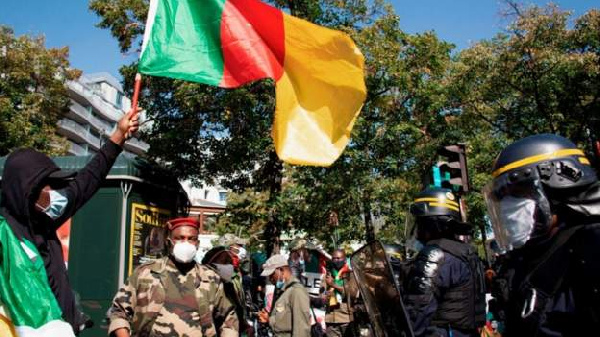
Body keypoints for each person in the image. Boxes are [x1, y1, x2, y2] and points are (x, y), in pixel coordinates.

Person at [0, 108, 139, 334]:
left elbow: (87, 181)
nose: (54, 191)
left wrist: (118, 137)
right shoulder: (3, 236)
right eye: (48, 185)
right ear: (27, 190)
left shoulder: (45, 220)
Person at [484, 134, 600, 336]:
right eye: (502, 198)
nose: (507, 208)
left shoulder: (591, 248)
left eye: (517, 194)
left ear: (558, 186)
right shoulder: (525, 258)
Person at [107, 217, 238, 337]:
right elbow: (118, 311)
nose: (186, 243)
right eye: (180, 238)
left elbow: (229, 319)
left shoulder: (211, 278)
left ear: (197, 244)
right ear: (169, 241)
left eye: (191, 238)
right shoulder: (145, 273)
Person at [403, 188, 486, 337]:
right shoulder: (467, 253)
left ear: (429, 223)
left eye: (419, 221)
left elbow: (416, 313)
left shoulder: (435, 255)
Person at [258, 254, 310, 337]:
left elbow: (301, 328)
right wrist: (269, 319)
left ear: (281, 270)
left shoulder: (296, 291)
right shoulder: (282, 291)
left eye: (272, 275)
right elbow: (283, 321)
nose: (271, 280)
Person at [322, 249, 353, 337]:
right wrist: (324, 295)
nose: (336, 261)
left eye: (338, 258)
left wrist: (333, 284)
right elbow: (321, 293)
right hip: (330, 319)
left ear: (344, 259)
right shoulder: (327, 275)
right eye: (334, 258)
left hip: (346, 318)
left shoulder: (350, 274)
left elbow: (352, 293)